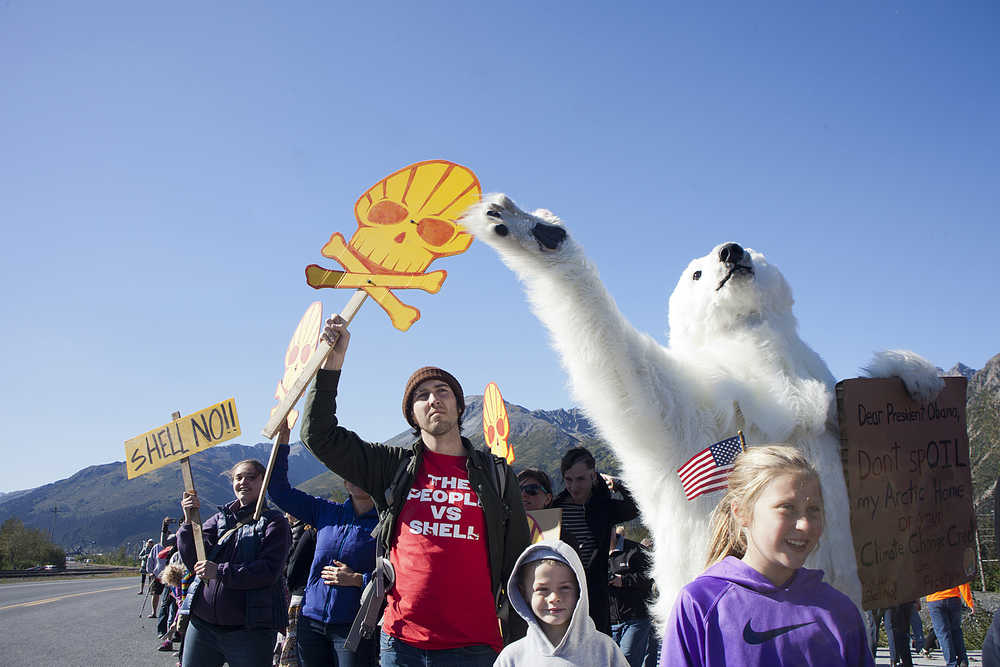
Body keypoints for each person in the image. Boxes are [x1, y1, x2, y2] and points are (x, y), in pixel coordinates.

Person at [300, 315, 530, 666]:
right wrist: (331, 365)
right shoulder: (391, 466)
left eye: (442, 392)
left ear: (458, 405)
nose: (433, 399)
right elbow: (319, 435)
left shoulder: (496, 473)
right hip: (401, 643)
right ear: (412, 415)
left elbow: (518, 562)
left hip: (476, 645)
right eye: (422, 396)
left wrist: (522, 642)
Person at [662, 444, 873, 666]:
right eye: (787, 508)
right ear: (741, 512)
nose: (804, 524)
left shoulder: (839, 610)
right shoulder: (701, 603)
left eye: (814, 510)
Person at [267, 440, 379, 666]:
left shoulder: (387, 524)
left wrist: (359, 579)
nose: (357, 478)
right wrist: (282, 443)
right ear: (345, 481)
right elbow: (278, 491)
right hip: (311, 622)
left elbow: (397, 573)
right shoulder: (325, 511)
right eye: (351, 473)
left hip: (353, 626)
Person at [177, 459, 291, 667]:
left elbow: (268, 571)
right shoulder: (219, 519)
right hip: (203, 627)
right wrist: (188, 522)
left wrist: (219, 571)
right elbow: (193, 560)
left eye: (250, 477)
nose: (243, 482)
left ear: (263, 481)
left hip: (250, 632)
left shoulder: (275, 522)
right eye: (238, 478)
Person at [494, 539, 628, 666]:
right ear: (524, 593)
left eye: (564, 587)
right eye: (542, 589)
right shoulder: (512, 658)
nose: (554, 597)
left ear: (579, 590)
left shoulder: (606, 651)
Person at [552, 446, 639, 635]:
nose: (574, 487)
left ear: (593, 476)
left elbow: (637, 507)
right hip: (562, 593)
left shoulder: (604, 507)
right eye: (568, 479)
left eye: (581, 479)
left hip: (595, 597)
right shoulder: (556, 509)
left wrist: (617, 484)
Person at [608, 527, 654, 667]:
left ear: (613, 528)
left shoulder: (635, 550)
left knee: (627, 662)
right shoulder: (594, 551)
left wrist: (623, 580)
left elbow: (650, 577)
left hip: (635, 618)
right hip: (609, 621)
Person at [277, 511, 317, 666]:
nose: (287, 516)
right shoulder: (316, 529)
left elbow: (294, 563)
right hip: (312, 594)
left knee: (295, 646)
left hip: (299, 593)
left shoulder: (305, 530)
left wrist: (289, 583)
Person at [926, 582, 973, 667]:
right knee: (956, 631)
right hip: (953, 598)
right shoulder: (954, 567)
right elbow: (963, 581)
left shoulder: (926, 567)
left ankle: (951, 663)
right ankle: (963, 660)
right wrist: (969, 602)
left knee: (943, 633)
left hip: (934, 599)